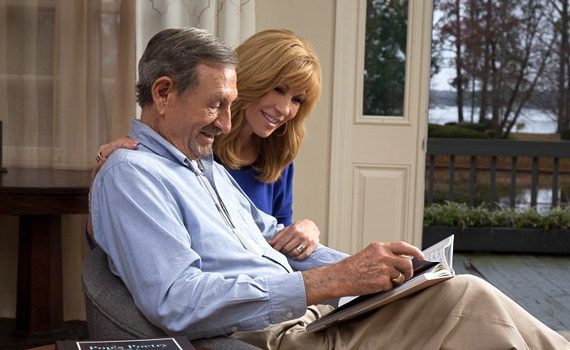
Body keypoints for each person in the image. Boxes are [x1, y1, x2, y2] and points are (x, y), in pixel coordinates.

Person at [90, 27, 569, 349]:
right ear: (164, 92)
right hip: (284, 334)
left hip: (313, 312)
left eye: (232, 106)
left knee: (458, 296)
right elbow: (177, 302)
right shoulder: (133, 175)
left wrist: (380, 270)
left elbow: (272, 238)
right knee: (467, 303)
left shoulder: (203, 167)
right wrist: (335, 280)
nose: (227, 123)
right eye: (216, 105)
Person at [90, 29, 323, 259]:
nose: (284, 109)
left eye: (297, 99)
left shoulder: (279, 157)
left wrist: (307, 232)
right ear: (248, 79)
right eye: (278, 89)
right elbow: (126, 249)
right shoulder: (193, 142)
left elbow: (280, 241)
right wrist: (100, 187)